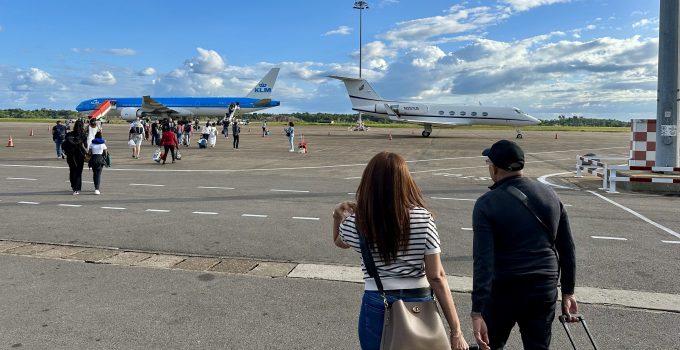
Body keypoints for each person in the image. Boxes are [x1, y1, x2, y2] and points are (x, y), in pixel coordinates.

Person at [333, 152, 469, 350]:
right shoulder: (423, 219)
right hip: (419, 301)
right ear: (405, 181)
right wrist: (456, 331)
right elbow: (437, 276)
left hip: (376, 300)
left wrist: (337, 216)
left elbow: (339, 242)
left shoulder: (357, 222)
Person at [471, 140, 577, 350]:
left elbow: (484, 261)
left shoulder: (487, 203)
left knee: (489, 345)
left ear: (495, 168)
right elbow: (567, 248)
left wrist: (477, 310)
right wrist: (568, 292)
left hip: (504, 289)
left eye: (488, 163)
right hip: (543, 288)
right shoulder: (550, 195)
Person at [63, 120, 88, 195]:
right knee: (79, 172)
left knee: (72, 170)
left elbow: (64, 143)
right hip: (80, 155)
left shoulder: (69, 134)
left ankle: (73, 186)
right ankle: (77, 188)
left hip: (70, 155)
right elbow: (86, 145)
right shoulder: (83, 135)